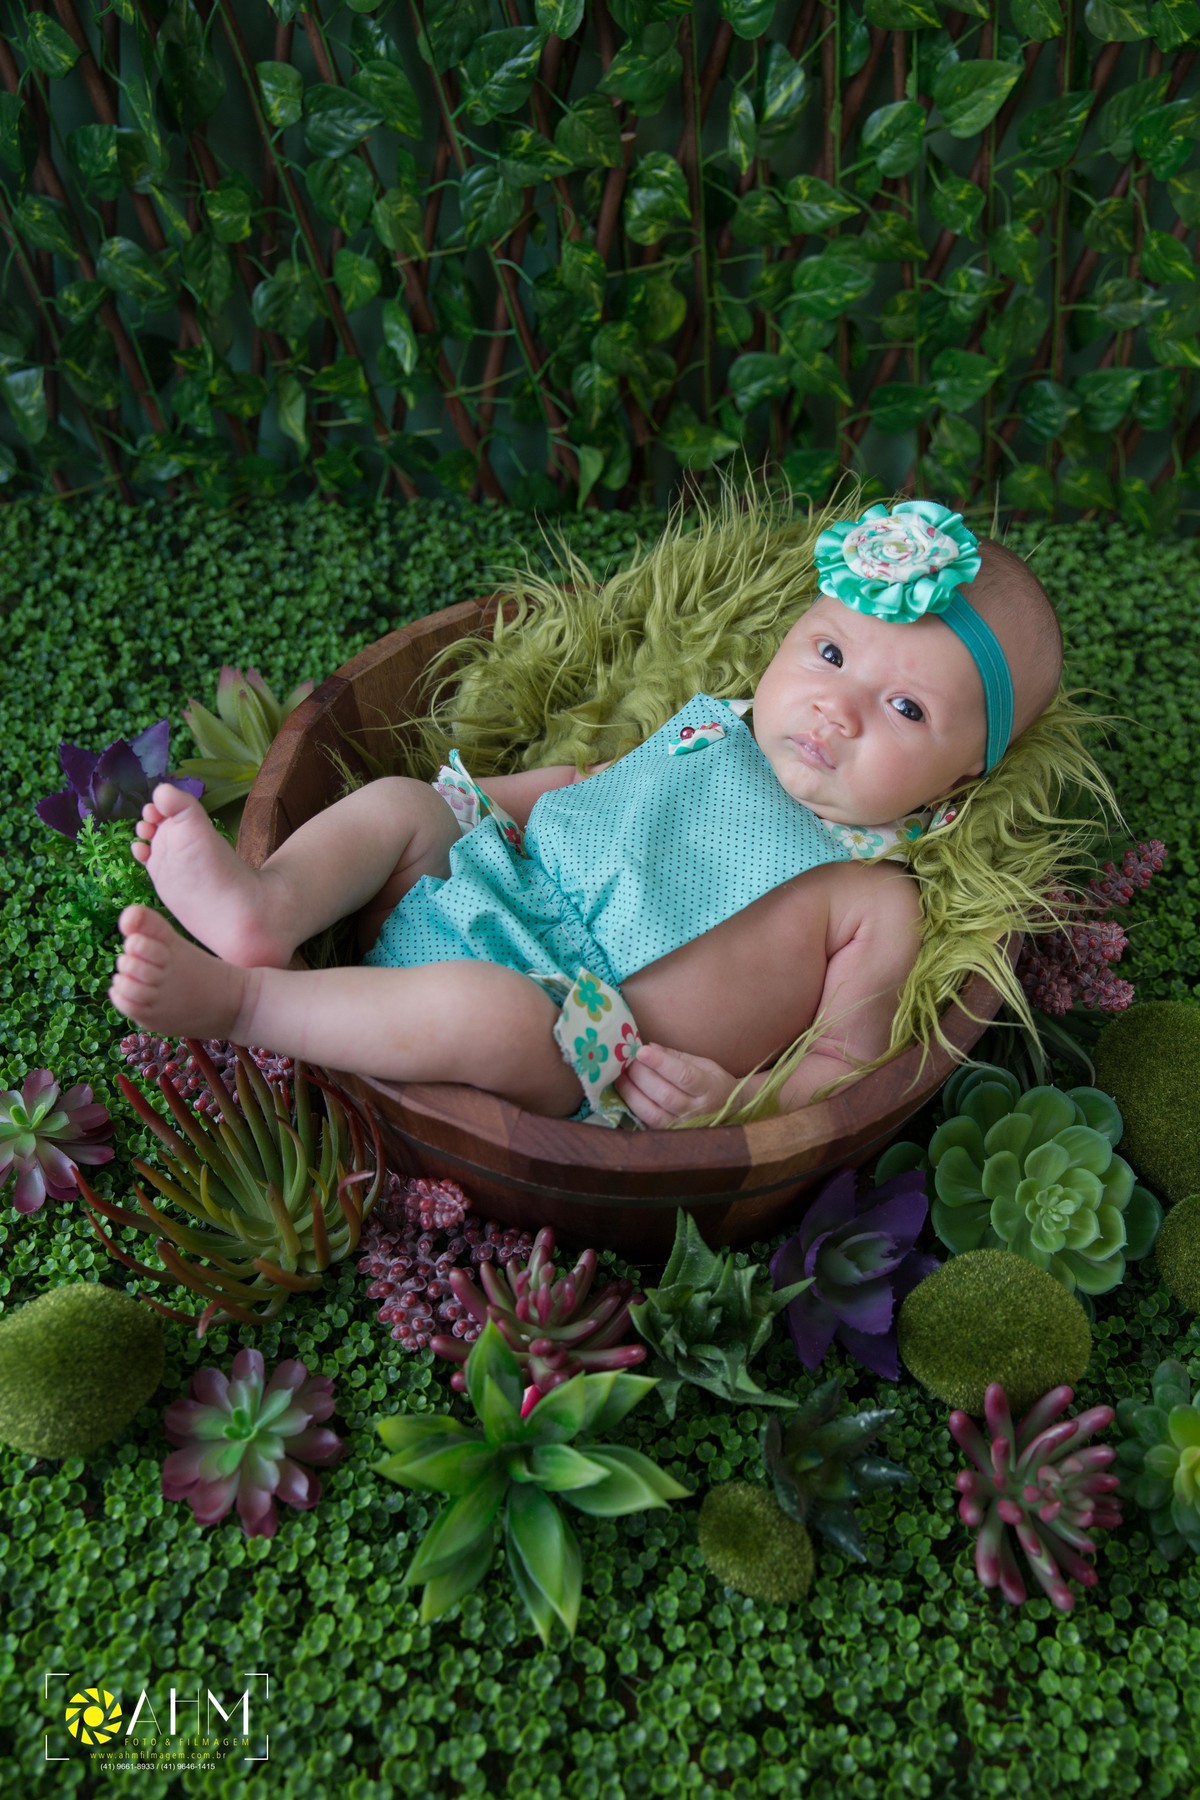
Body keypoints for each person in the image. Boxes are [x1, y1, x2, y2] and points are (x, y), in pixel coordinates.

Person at [108, 497, 1068, 1130]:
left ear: (962, 776)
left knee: (483, 1010)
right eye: (828, 654)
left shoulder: (874, 900)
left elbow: (843, 1062)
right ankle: (264, 907)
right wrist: (473, 811)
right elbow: (584, 783)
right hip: (496, 886)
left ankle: (246, 1002)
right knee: (402, 805)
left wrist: (735, 1101)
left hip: (575, 1032)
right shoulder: (713, 727)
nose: (838, 708)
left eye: (906, 709)